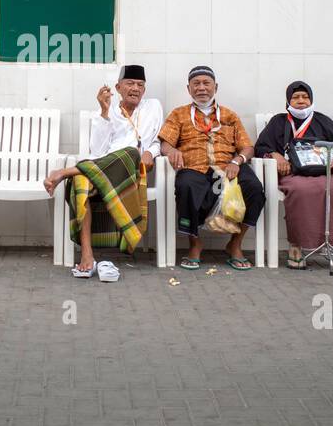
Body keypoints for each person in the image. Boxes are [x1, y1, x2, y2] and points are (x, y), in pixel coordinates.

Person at [42, 64, 162, 281]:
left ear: (144, 90)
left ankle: (64, 172)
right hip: (104, 172)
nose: (135, 88)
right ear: (118, 87)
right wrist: (104, 113)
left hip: (132, 171)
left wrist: (151, 154)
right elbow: (97, 152)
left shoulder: (153, 106)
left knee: (130, 153)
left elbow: (156, 140)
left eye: (140, 85)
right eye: (130, 84)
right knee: (80, 183)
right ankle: (87, 255)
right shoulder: (109, 111)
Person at [254, 80, 333, 272]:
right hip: (294, 174)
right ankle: (296, 247)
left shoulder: (322, 120)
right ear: (288, 101)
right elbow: (261, 147)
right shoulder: (278, 121)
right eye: (296, 97)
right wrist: (275, 156)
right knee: (301, 191)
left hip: (327, 173)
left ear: (311, 99)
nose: (301, 101)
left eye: (305, 97)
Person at [157, 65, 265, 270]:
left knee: (254, 188)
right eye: (195, 84)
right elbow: (165, 143)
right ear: (188, 89)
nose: (201, 88)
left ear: (216, 86)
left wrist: (237, 161)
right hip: (193, 166)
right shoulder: (178, 114)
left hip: (227, 166)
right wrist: (171, 151)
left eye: (206, 83)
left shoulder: (229, 115)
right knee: (186, 185)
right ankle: (195, 245)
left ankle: (235, 244)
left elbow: (247, 147)